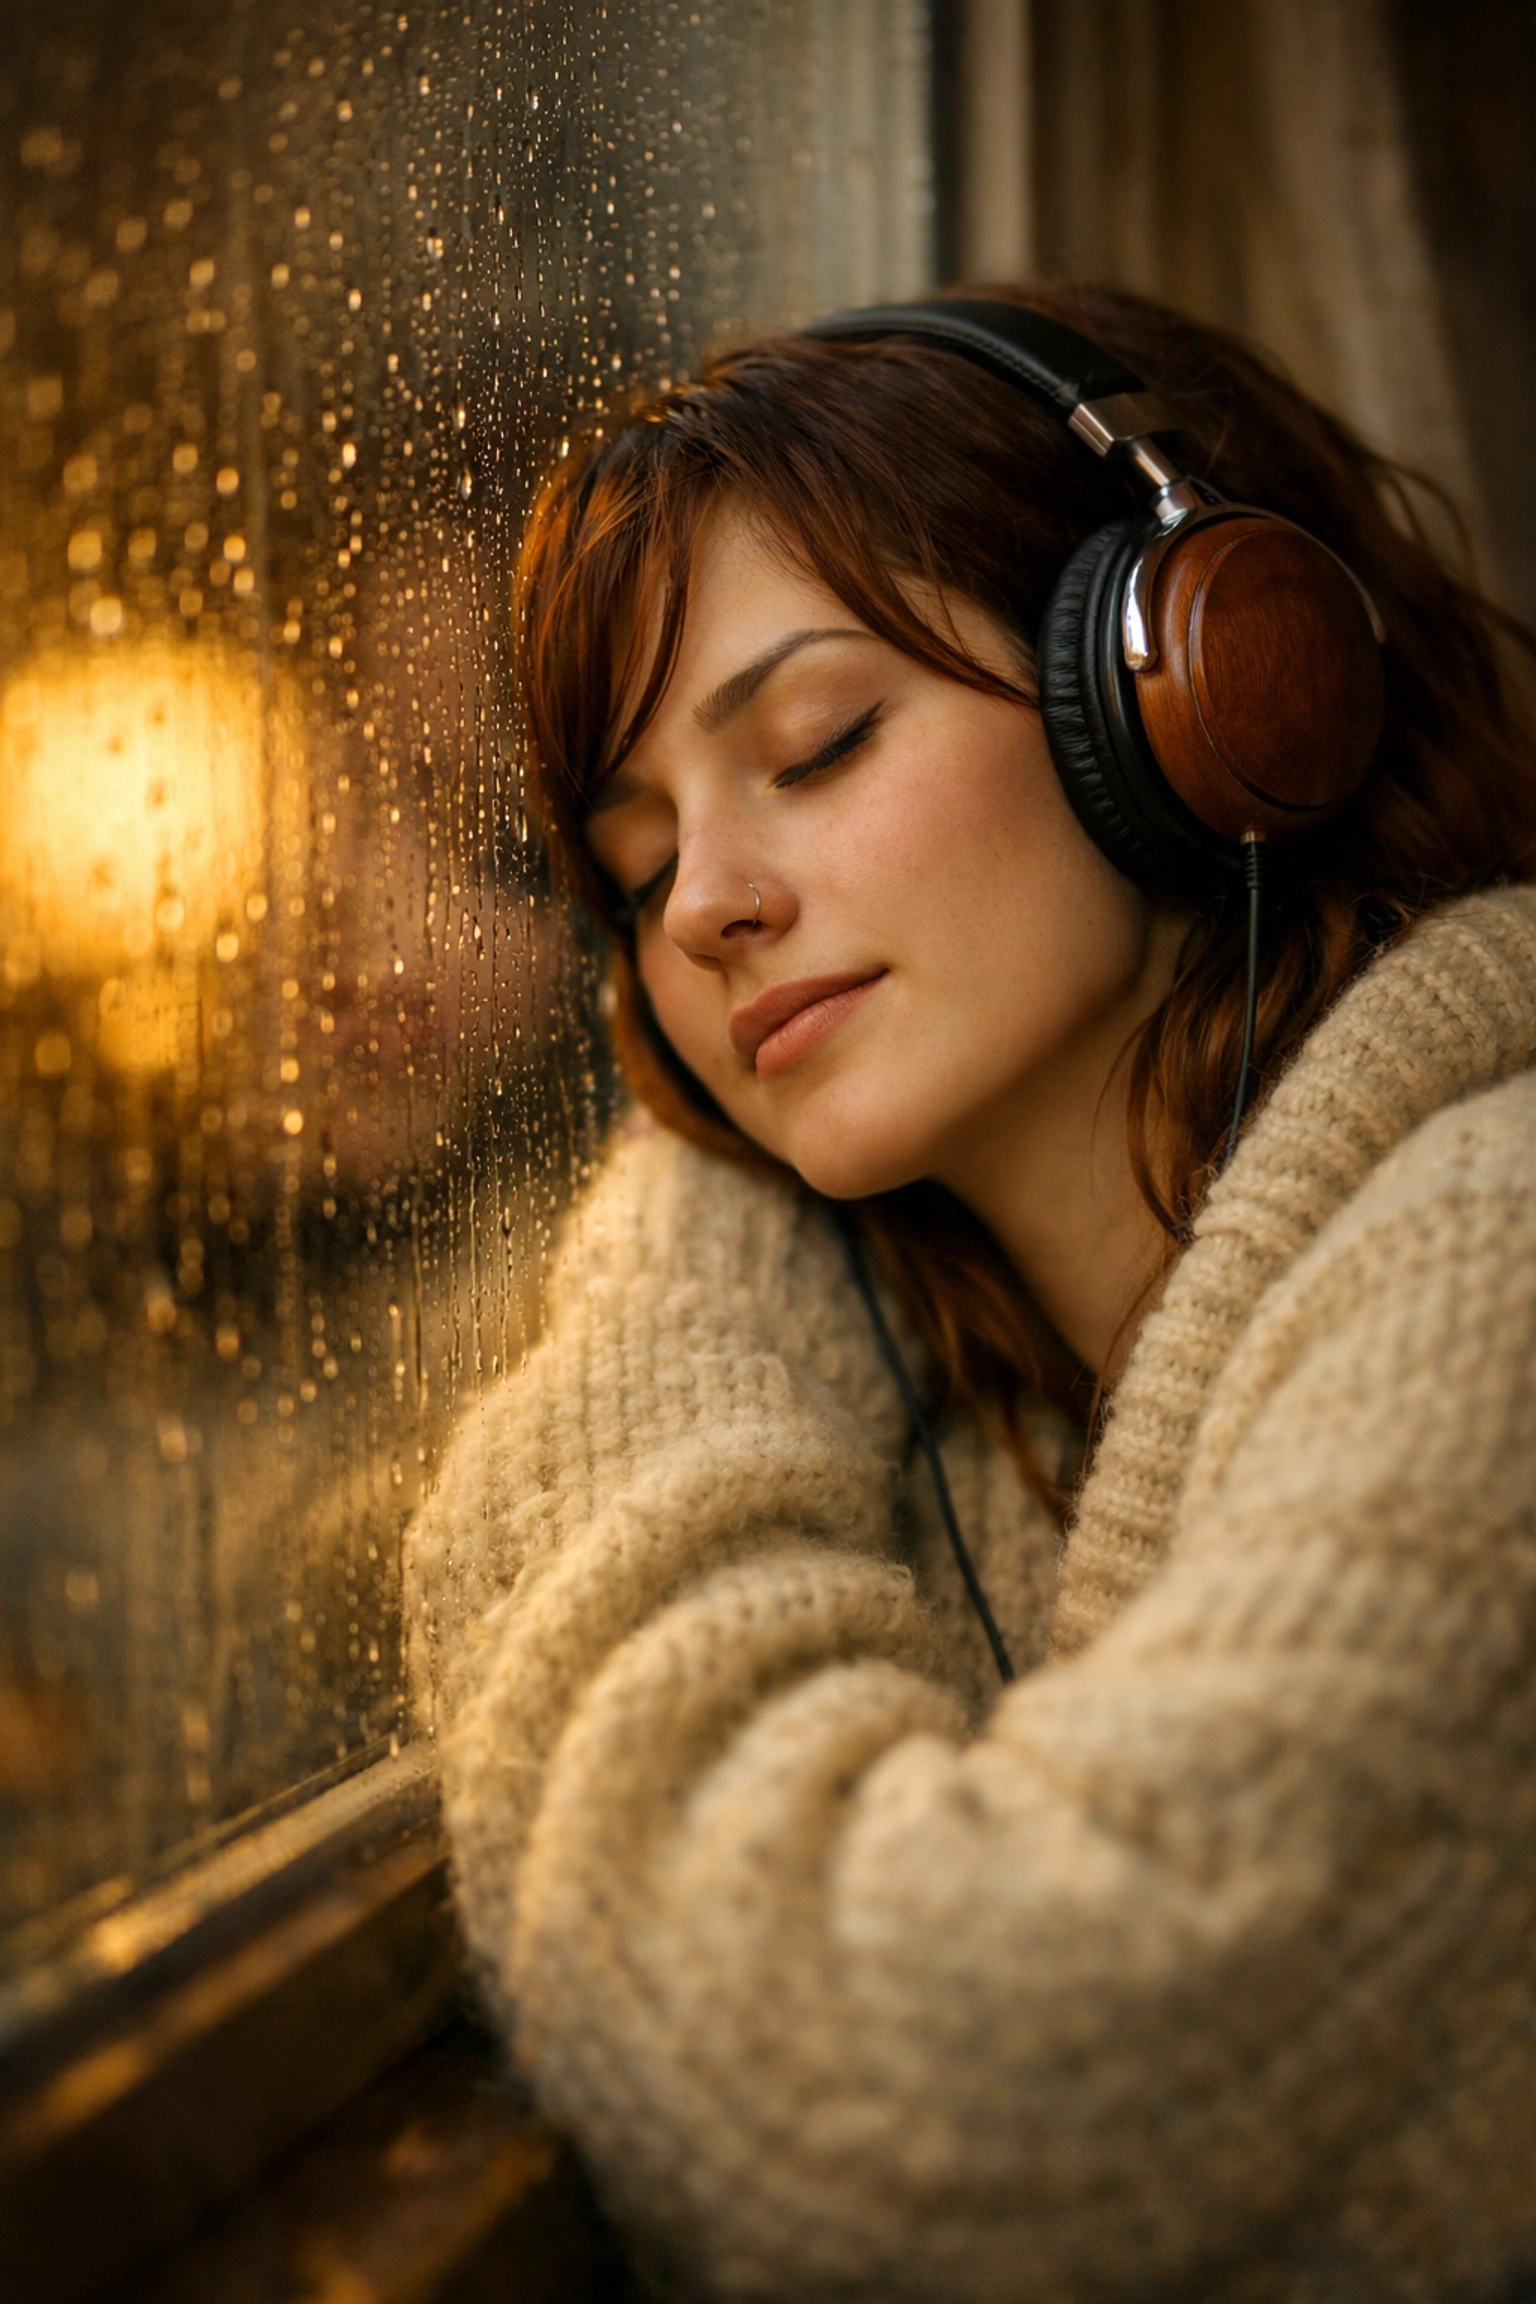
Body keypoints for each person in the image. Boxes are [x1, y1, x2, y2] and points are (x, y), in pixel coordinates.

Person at [407, 284, 1536, 2302]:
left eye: (818, 745)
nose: (710, 906)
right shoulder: (956, 1426)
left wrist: (683, 1249)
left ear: (1203, 677)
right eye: (635, 851)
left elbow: (918, 2089)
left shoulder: (1504, 1250)